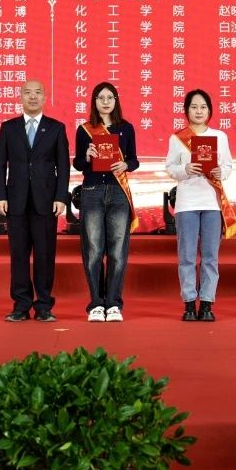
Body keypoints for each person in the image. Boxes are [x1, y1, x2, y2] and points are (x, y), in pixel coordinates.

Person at [0, 79, 70, 322]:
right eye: (28, 92)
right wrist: (0, 195)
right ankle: (21, 305)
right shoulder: (9, 128)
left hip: (46, 201)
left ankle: (44, 305)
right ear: (21, 97)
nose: (33, 97)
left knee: (45, 255)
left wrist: (61, 196)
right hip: (15, 200)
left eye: (38, 93)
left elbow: (63, 166)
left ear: (45, 98)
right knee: (19, 255)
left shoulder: (56, 128)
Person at [165, 89, 236, 322]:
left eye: (203, 107)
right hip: (186, 203)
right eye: (194, 107)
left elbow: (228, 166)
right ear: (186, 110)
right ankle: (188, 304)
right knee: (186, 256)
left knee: (210, 256)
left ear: (209, 111)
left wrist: (220, 172)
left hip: (212, 203)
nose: (198, 111)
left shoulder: (220, 136)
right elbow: (170, 168)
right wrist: (185, 169)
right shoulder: (177, 138)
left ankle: (206, 303)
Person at [74, 82, 140, 322]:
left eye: (109, 97)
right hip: (92, 190)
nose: (105, 102)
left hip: (118, 192)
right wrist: (87, 157)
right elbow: (78, 164)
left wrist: (125, 164)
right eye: (100, 98)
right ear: (94, 101)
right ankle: (96, 303)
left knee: (117, 250)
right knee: (93, 249)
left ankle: (113, 303)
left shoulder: (126, 128)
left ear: (116, 100)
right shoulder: (85, 129)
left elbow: (134, 160)